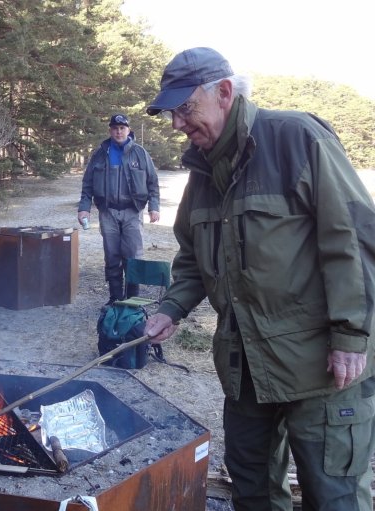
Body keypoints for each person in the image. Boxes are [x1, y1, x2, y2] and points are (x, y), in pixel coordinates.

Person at [143, 47, 375, 511]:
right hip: (244, 364)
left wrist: (350, 336)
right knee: (251, 489)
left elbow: (354, 239)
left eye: (185, 108)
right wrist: (170, 309)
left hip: (319, 364)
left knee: (332, 496)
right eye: (172, 113)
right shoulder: (202, 173)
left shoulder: (296, 138)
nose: (177, 124)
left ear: (224, 92)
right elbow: (193, 258)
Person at [78, 114, 160, 304]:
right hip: (108, 212)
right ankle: (115, 298)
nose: (118, 131)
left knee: (133, 256)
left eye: (122, 128)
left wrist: (153, 207)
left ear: (128, 130)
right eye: (115, 128)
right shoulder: (100, 154)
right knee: (112, 256)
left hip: (133, 211)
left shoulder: (140, 153)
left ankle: (132, 299)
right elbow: (87, 183)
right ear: (110, 131)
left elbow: (153, 182)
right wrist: (84, 208)